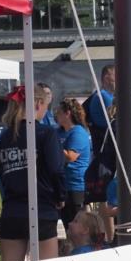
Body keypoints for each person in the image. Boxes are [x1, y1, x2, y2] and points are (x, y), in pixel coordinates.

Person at [0, 84, 65, 261]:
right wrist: (61, 196)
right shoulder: (46, 133)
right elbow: (56, 169)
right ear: (39, 103)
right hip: (41, 208)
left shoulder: (4, 137)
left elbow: (2, 175)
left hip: (12, 210)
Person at [55, 97, 92, 228]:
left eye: (59, 112)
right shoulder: (58, 132)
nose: (56, 115)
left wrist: (52, 146)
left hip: (76, 186)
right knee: (66, 224)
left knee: (78, 224)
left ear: (68, 113)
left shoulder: (78, 133)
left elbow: (71, 156)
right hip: (62, 185)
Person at [84, 64, 116, 156]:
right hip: (106, 153)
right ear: (106, 78)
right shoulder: (103, 96)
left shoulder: (105, 96)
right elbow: (119, 117)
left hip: (107, 151)